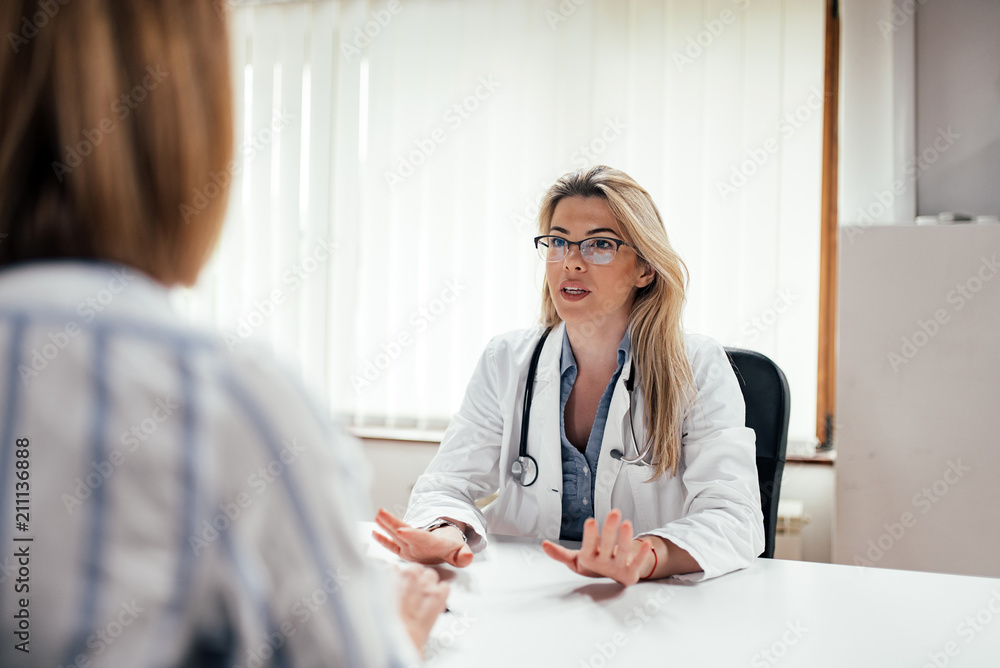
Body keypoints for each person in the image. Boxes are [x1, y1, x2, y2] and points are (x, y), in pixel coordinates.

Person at [0, 1, 445, 666]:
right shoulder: (228, 401)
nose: (570, 261)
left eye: (595, 244)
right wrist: (399, 634)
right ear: (188, 129)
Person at [374, 165, 764, 586]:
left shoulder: (696, 366)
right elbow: (448, 483)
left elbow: (734, 517)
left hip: (641, 600)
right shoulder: (506, 360)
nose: (572, 262)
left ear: (645, 269)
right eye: (558, 242)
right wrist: (444, 530)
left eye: (600, 245)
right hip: (525, 592)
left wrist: (645, 556)